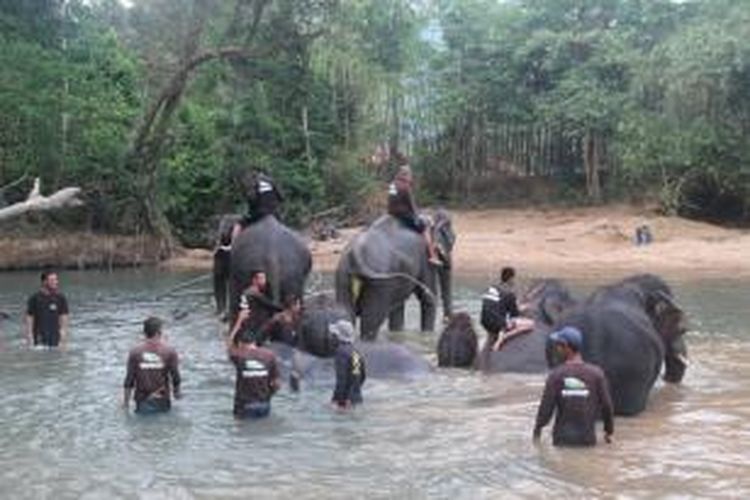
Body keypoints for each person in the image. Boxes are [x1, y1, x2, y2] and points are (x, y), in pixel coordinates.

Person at [533, 327, 614, 447]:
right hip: (587, 439)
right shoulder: (596, 374)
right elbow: (607, 406)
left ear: (566, 347)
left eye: (558, 346)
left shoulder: (556, 375)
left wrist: (537, 431)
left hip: (562, 440)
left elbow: (546, 409)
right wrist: (608, 431)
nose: (556, 349)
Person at [123, 317, 182, 414]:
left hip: (142, 401)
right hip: (162, 399)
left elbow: (129, 380)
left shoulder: (135, 352)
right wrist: (177, 393)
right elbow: (175, 377)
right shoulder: (170, 351)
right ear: (159, 332)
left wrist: (126, 404)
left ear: (144, 333)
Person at [387, 164, 442, 266]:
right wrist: (421, 216)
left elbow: (391, 200)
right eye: (410, 175)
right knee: (426, 226)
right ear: (406, 175)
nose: (411, 177)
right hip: (404, 215)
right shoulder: (406, 187)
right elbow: (412, 207)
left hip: (392, 214)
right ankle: (432, 255)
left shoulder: (392, 185)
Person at [227, 326, 281, 419]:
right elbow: (277, 384)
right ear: (254, 342)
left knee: (243, 431)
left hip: (245, 405)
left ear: (240, 344)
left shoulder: (240, 356)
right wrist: (268, 396)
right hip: (264, 404)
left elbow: (229, 345)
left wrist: (239, 321)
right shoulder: (270, 355)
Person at [481, 266, 534, 351]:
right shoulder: (509, 294)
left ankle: (491, 336)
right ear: (511, 279)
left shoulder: (491, 288)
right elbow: (515, 315)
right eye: (513, 278)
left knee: (495, 315)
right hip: (497, 325)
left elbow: (497, 303)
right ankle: (503, 338)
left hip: (484, 321)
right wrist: (524, 308)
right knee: (531, 325)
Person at [228, 270, 282, 345]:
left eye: (264, 278)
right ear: (254, 280)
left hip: (246, 330)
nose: (264, 281)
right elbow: (271, 306)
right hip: (251, 332)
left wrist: (232, 335)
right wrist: (286, 309)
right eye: (261, 278)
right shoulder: (254, 294)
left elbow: (242, 315)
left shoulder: (246, 292)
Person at [26, 270, 69, 348]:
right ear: (44, 282)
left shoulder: (60, 298)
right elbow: (29, 318)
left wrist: (63, 339)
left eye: (56, 279)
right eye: (52, 280)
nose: (56, 282)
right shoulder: (34, 298)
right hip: (39, 339)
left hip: (55, 339)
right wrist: (30, 336)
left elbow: (64, 319)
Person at [330, 320, 366, 410]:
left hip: (345, 401)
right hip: (357, 399)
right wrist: (354, 392)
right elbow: (362, 376)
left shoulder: (341, 352)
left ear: (339, 336)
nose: (332, 337)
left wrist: (336, 399)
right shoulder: (356, 351)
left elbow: (341, 379)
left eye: (334, 335)